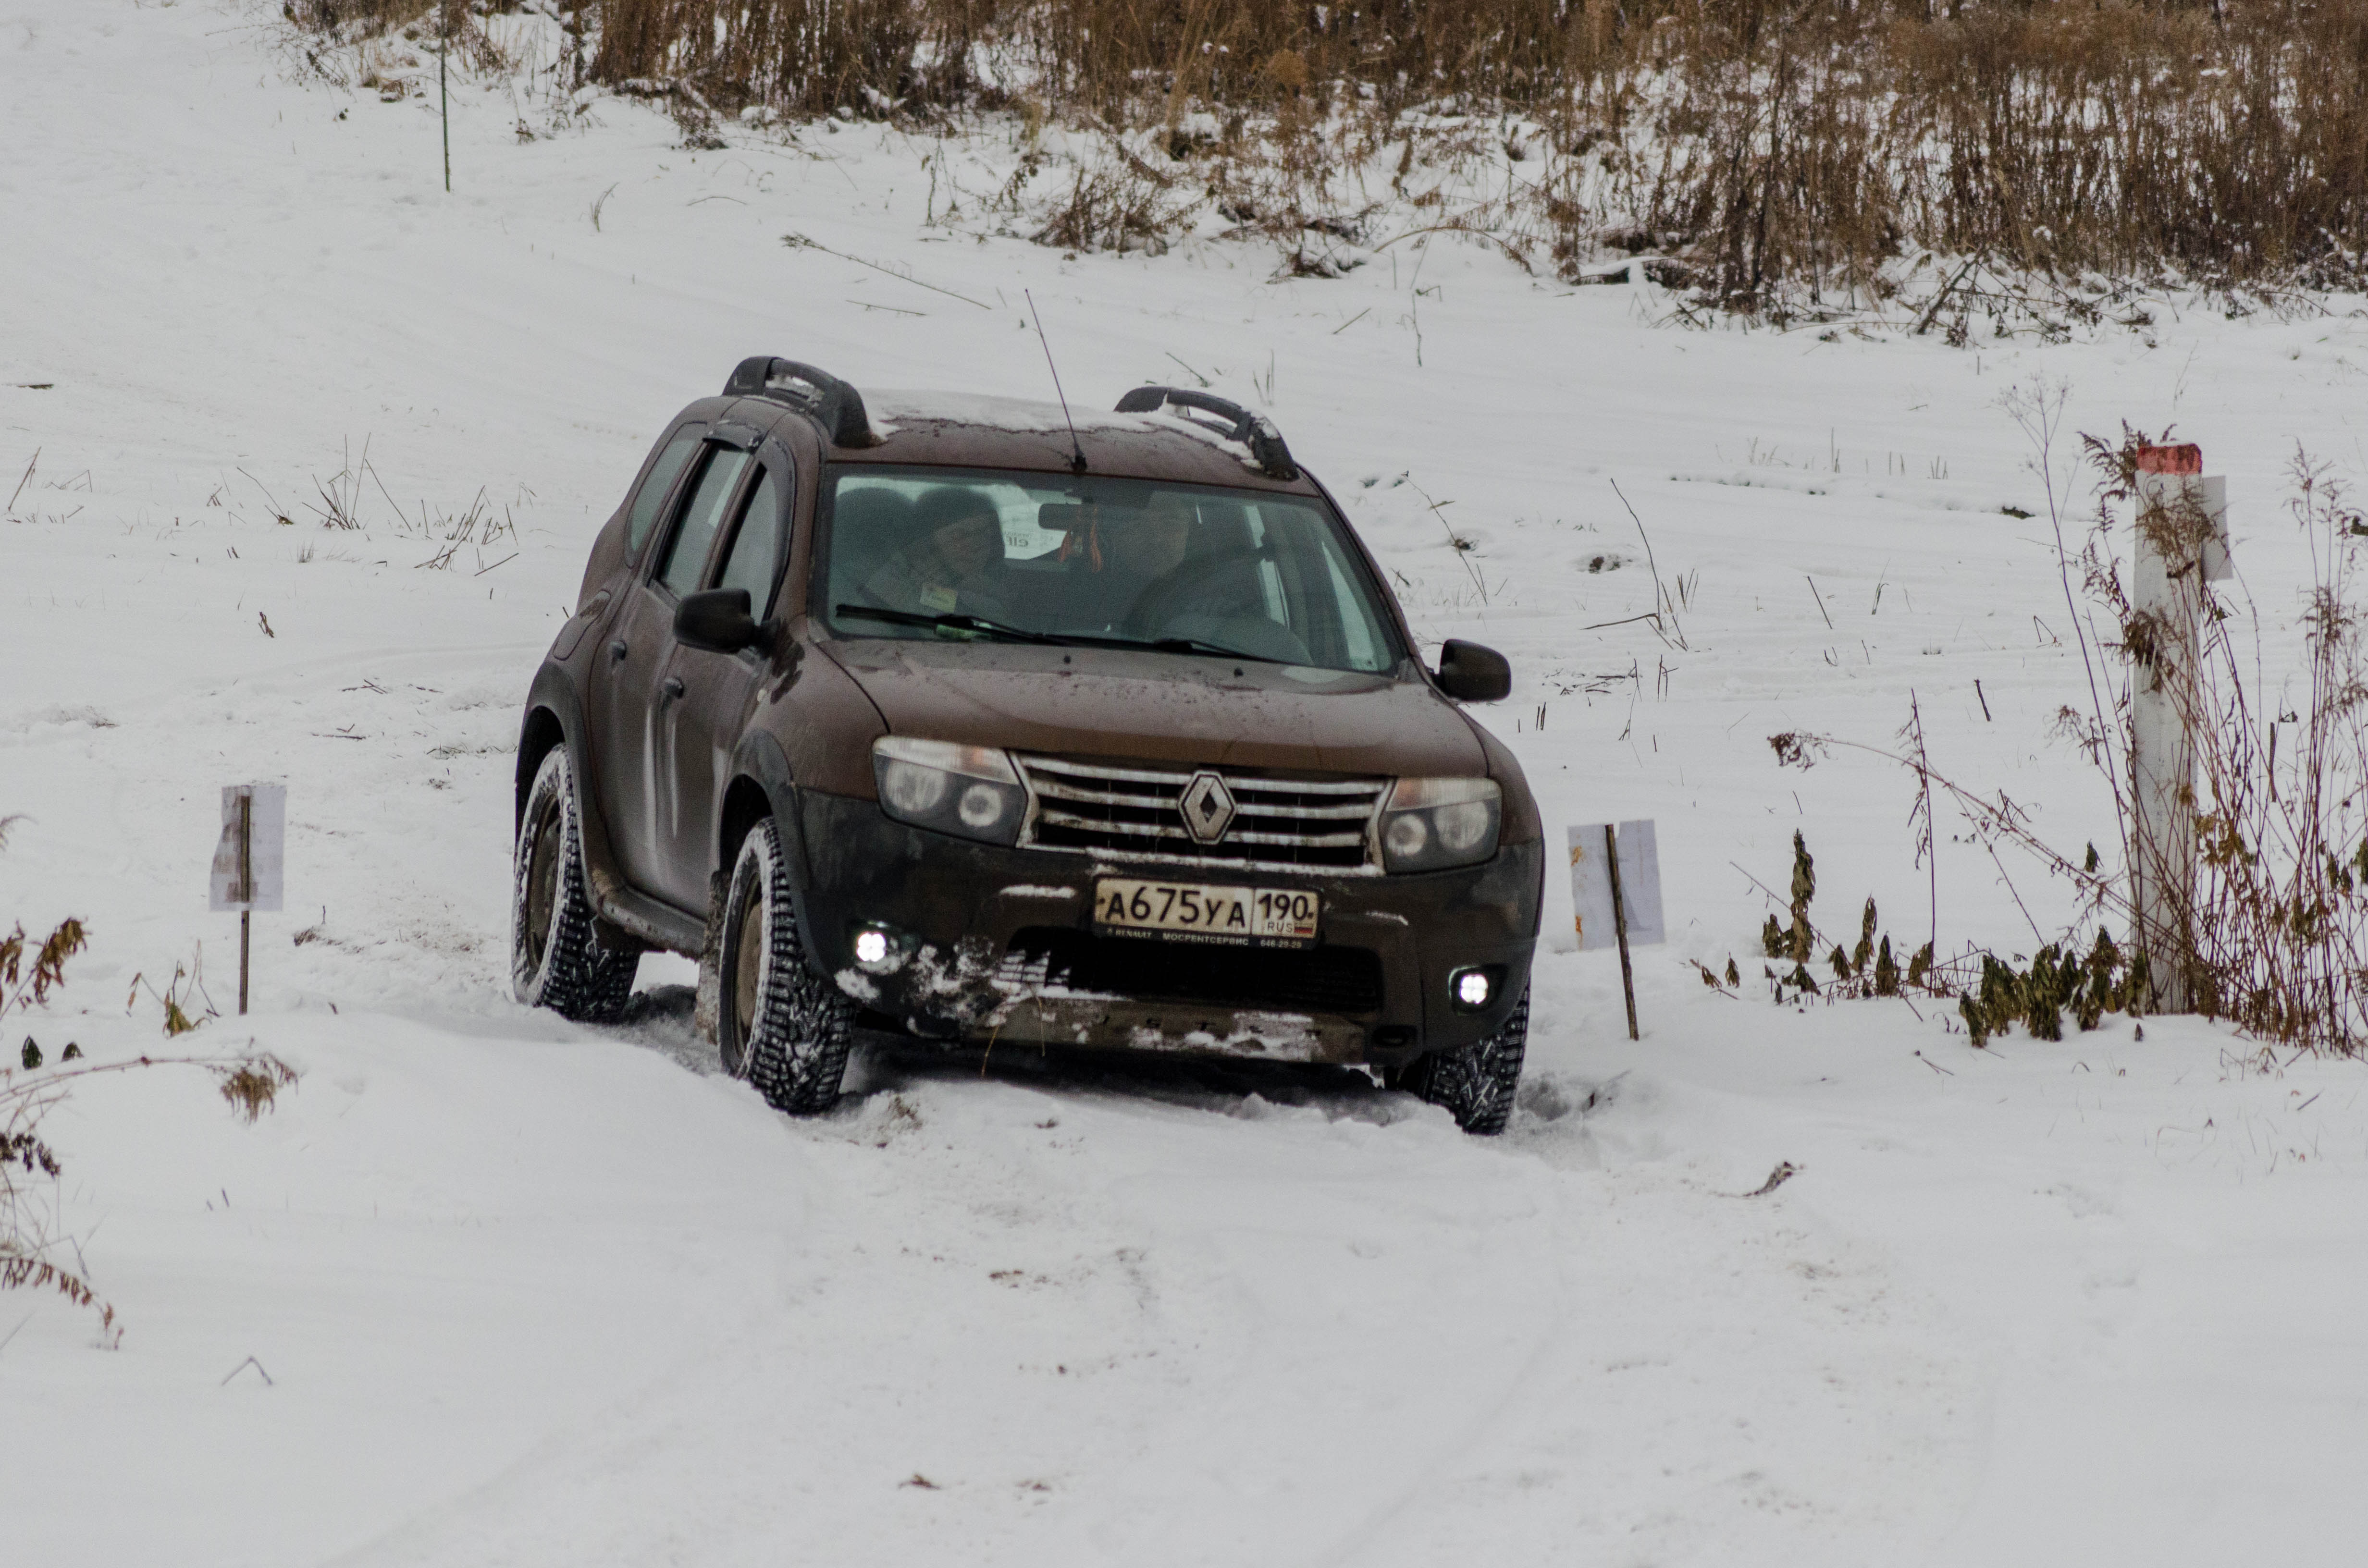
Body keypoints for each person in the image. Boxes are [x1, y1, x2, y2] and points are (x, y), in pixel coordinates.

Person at [860, 489, 1012, 620]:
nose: (976, 546)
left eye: (984, 534)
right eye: (960, 536)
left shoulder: (992, 584)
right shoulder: (894, 586)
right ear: (928, 540)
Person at [1057, 493, 1194, 633]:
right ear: (1115, 535)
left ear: (1189, 531)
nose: (1157, 538)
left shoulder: (1203, 587)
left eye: (1171, 524)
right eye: (1141, 526)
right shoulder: (1084, 589)